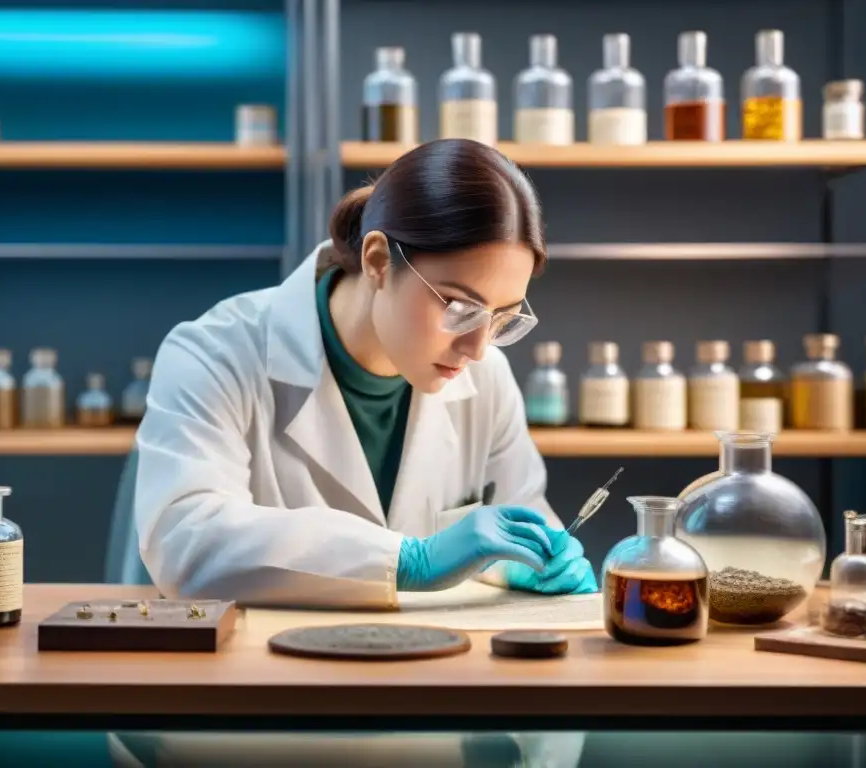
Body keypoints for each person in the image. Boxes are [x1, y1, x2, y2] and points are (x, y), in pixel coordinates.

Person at [134, 138, 597, 608]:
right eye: (460, 307)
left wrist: (530, 561)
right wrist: (410, 559)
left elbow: (522, 515)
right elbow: (184, 541)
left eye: (502, 318)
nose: (478, 348)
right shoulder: (217, 353)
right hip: (268, 670)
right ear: (378, 261)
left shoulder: (487, 378)